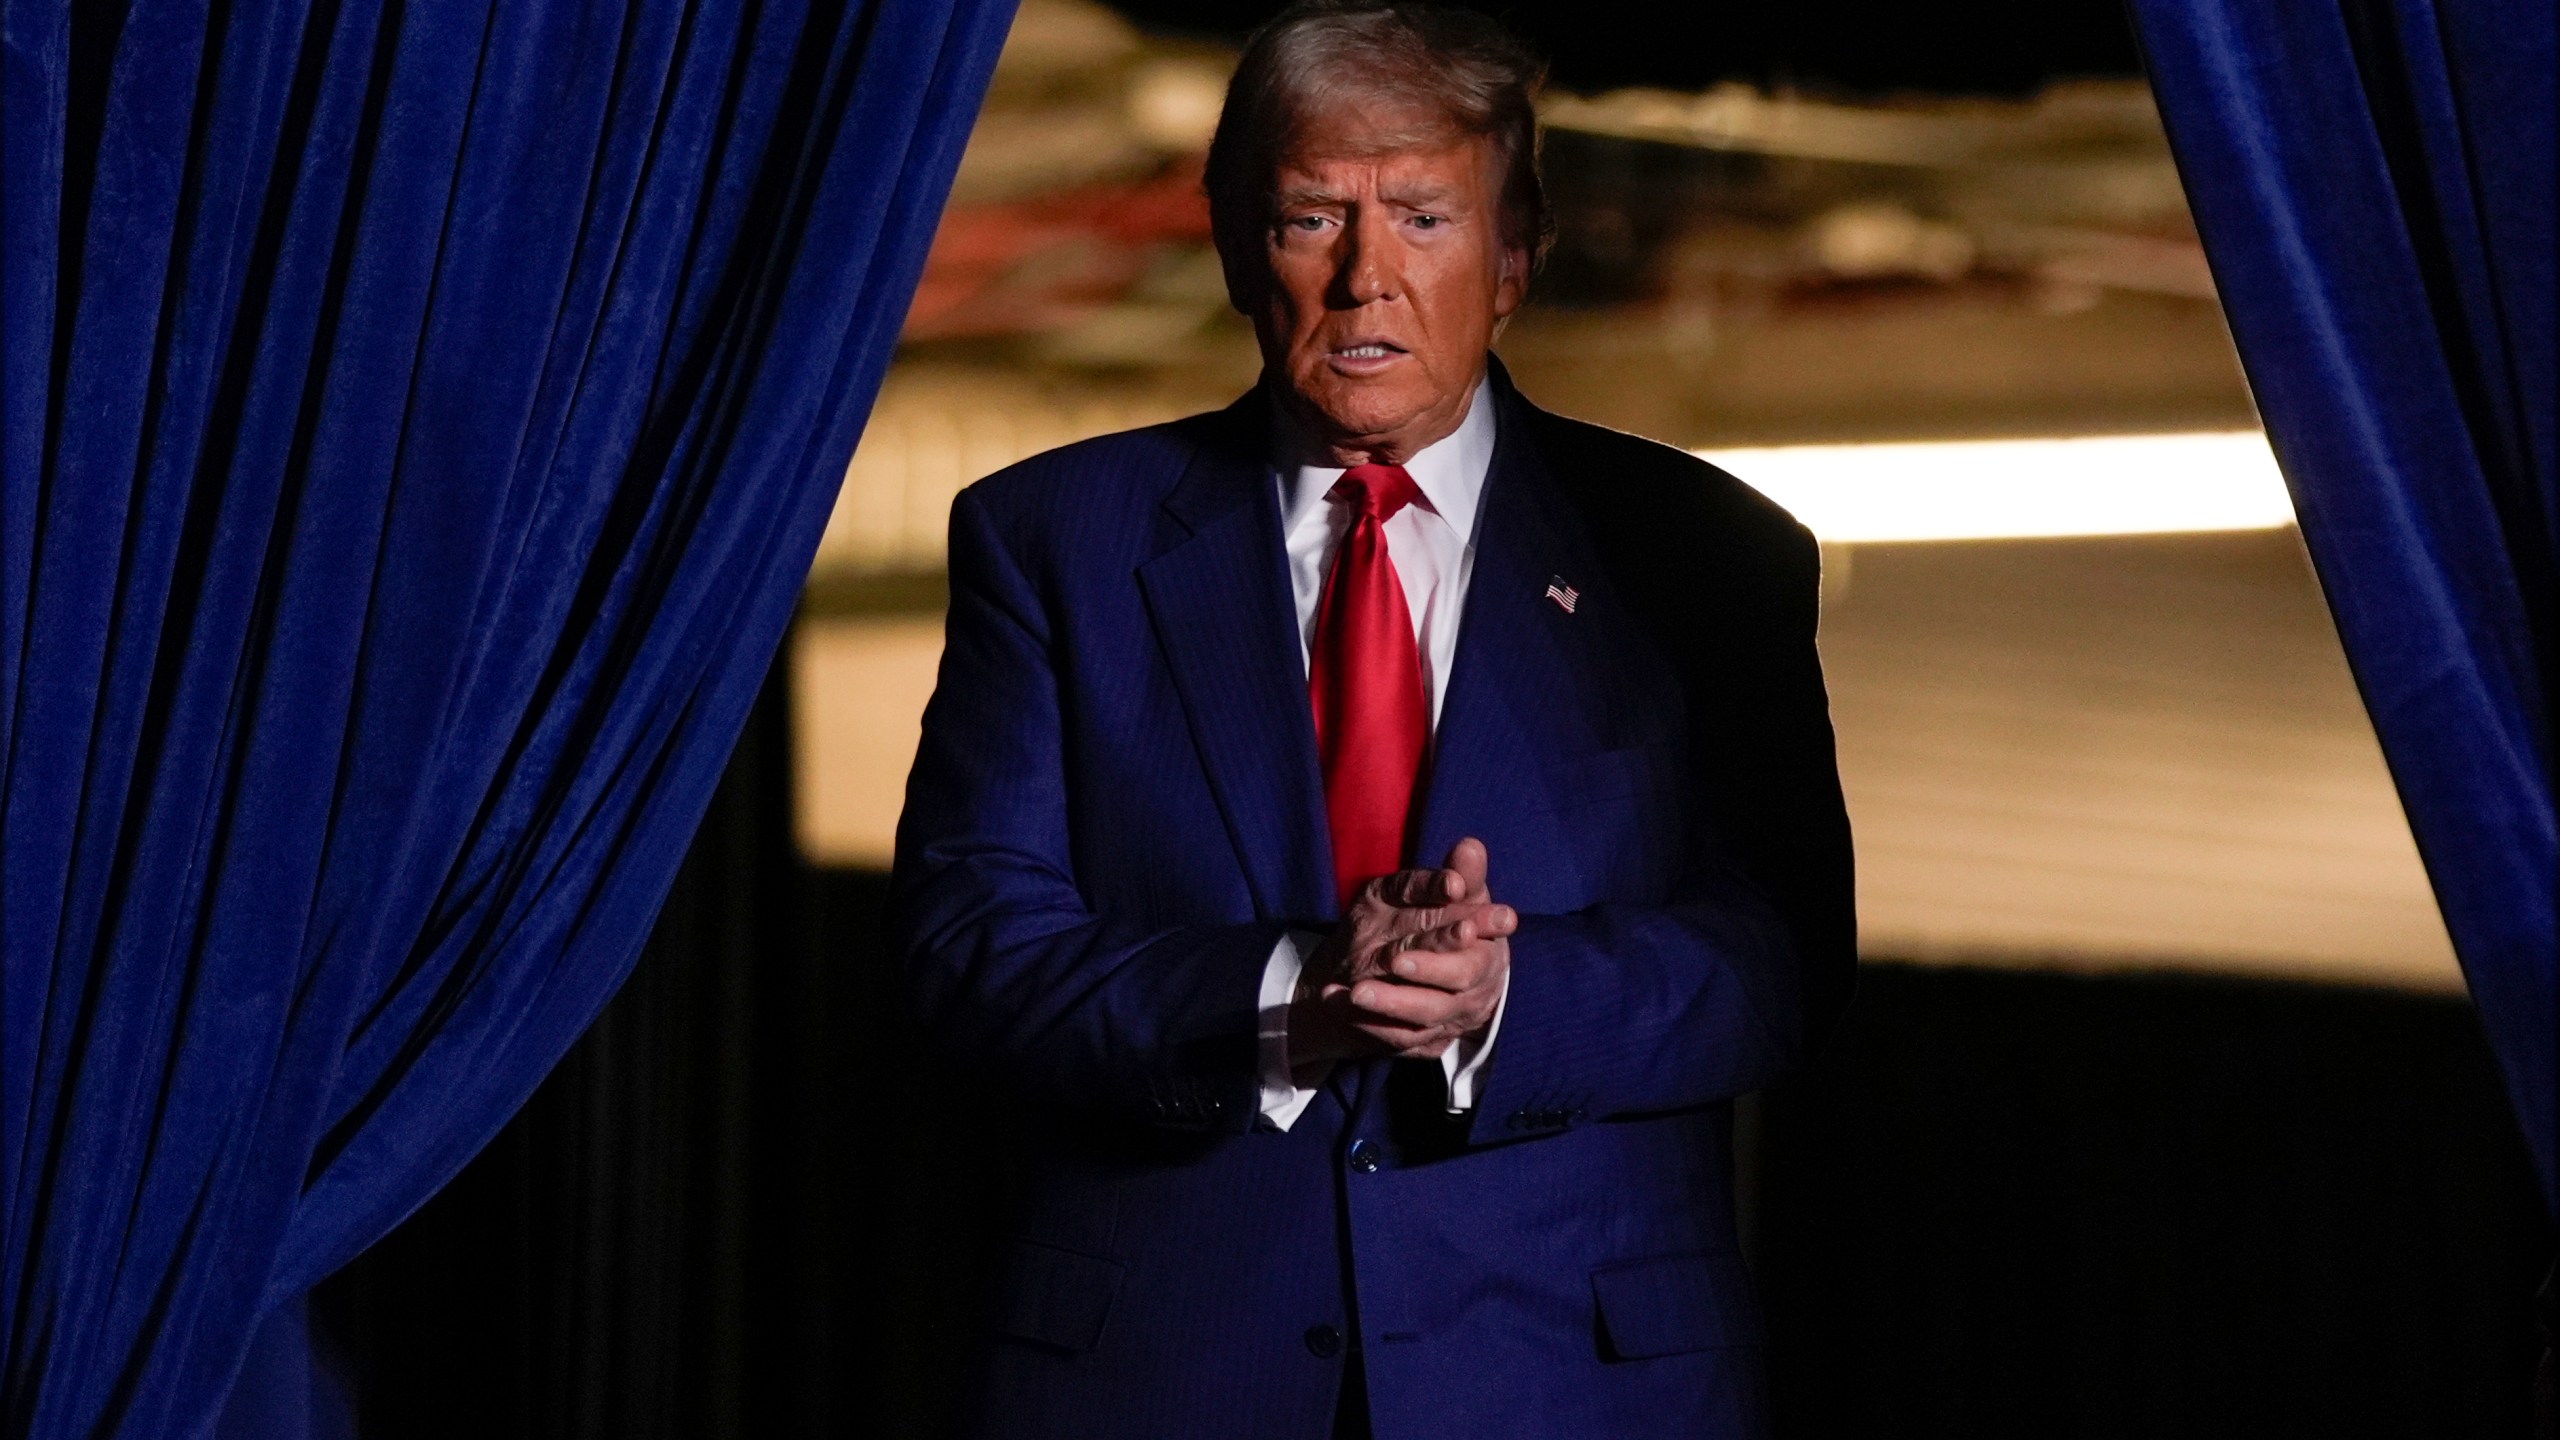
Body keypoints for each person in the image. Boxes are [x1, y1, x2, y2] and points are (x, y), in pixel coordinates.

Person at [889, 4, 1854, 1435]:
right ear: (1232, 252)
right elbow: (974, 953)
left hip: (1570, 1380)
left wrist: (1503, 999)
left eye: (1421, 217)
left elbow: (1777, 968)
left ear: (1514, 256)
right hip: (1162, 1379)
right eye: (1308, 220)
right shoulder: (1052, 541)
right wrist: (1292, 994)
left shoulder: (1707, 557)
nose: (1365, 281)